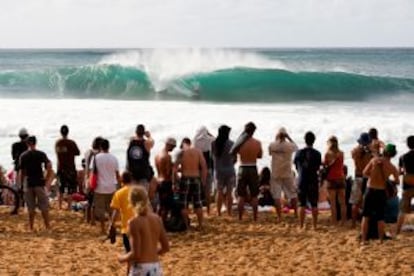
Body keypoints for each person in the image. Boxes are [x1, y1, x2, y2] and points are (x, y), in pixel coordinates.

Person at [117, 186, 169, 276]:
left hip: (141, 268)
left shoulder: (134, 222)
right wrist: (151, 251)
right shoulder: (157, 219)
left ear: (131, 202)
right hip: (155, 267)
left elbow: (136, 254)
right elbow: (166, 247)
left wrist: (122, 258)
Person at [361, 144, 399, 244]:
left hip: (370, 189)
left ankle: (364, 240)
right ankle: (381, 240)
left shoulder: (374, 160)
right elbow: (397, 181)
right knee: (380, 217)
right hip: (381, 192)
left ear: (384, 151)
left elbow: (364, 172)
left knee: (366, 216)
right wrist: (387, 180)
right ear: (393, 155)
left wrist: (372, 176)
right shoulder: (392, 167)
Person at [18, 136, 53, 231]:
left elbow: (22, 172)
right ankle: (47, 226)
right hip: (39, 182)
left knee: (31, 207)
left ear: (27, 144)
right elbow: (49, 166)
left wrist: (20, 185)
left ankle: (31, 227)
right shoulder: (41, 154)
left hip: (29, 182)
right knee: (44, 206)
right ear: (35, 143)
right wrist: (46, 178)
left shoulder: (23, 155)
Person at [174, 138, 207, 230]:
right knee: (198, 203)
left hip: (185, 178)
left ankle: (187, 226)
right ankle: (200, 225)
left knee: (184, 204)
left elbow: (175, 169)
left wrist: (177, 180)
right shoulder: (198, 152)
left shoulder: (182, 153)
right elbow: (204, 167)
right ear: (190, 143)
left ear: (183, 144)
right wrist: (203, 181)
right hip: (196, 178)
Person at [232, 122, 263, 221]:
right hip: (253, 167)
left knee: (241, 195)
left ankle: (240, 217)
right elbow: (260, 155)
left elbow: (234, 154)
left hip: (242, 167)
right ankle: (255, 217)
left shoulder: (240, 142)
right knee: (254, 195)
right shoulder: (257, 143)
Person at [268, 127, 298, 222]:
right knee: (292, 194)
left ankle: (279, 216)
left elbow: (270, 153)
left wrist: (276, 139)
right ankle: (296, 213)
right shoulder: (289, 146)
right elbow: (296, 147)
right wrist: (288, 137)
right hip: (287, 172)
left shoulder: (272, 145)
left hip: (276, 173)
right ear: (285, 135)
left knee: (277, 195)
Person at [294, 131, 322, 230]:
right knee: (314, 203)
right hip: (313, 179)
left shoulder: (298, 153)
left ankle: (301, 225)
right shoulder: (318, 154)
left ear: (304, 140)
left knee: (301, 204)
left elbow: (296, 166)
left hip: (302, 178)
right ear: (314, 141)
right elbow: (318, 167)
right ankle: (314, 225)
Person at [94, 139, 121, 234]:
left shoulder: (96, 158)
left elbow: (91, 172)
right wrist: (120, 185)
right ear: (109, 147)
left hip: (99, 187)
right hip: (111, 186)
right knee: (111, 209)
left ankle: (103, 228)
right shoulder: (114, 158)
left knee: (101, 210)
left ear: (100, 147)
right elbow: (117, 174)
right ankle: (111, 226)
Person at [109, 171, 136, 256]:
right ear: (131, 180)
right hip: (140, 225)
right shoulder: (138, 191)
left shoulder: (119, 193)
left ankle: (129, 269)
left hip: (127, 228)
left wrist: (112, 225)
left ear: (122, 180)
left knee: (129, 252)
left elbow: (116, 211)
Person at [350, 132, 373, 227]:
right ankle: (366, 223)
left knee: (355, 202)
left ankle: (353, 223)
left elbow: (353, 153)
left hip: (358, 176)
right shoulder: (370, 154)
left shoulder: (355, 151)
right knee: (366, 203)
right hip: (367, 178)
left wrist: (360, 147)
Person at [212, 125, 236, 216]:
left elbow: (213, 157)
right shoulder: (232, 143)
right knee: (230, 192)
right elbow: (235, 158)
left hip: (218, 171)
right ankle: (229, 212)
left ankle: (218, 212)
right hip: (229, 169)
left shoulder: (214, 144)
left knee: (219, 191)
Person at [55, 125, 80, 210]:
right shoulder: (71, 143)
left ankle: (59, 206)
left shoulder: (57, 143)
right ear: (68, 132)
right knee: (70, 188)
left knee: (60, 188)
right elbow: (78, 152)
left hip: (60, 167)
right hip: (70, 168)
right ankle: (69, 206)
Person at [323, 136, 346, 226]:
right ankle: (343, 221)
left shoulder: (327, 154)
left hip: (331, 179)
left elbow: (325, 165)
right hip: (340, 178)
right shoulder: (341, 153)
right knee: (342, 203)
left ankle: (334, 222)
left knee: (333, 203)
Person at [193, 126, 215, 215]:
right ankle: (208, 210)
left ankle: (197, 209)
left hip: (197, 168)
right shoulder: (209, 140)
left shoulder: (195, 141)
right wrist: (209, 133)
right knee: (207, 190)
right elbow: (215, 139)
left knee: (197, 190)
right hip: (208, 167)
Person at [154, 137, 177, 222]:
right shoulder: (167, 156)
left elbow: (158, 169)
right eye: (173, 146)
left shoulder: (157, 155)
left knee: (160, 204)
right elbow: (168, 173)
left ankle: (156, 222)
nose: (173, 149)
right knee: (166, 206)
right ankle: (163, 225)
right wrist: (173, 167)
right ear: (169, 145)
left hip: (159, 180)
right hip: (166, 182)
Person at [397, 135, 414, 235]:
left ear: (407, 145)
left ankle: (398, 232)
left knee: (402, 210)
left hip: (407, 185)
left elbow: (399, 172)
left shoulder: (403, 157)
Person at [84, 136, 103, 224]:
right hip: (93, 178)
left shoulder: (88, 152)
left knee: (89, 200)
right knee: (94, 201)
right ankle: (92, 220)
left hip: (87, 177)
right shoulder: (97, 155)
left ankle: (87, 218)